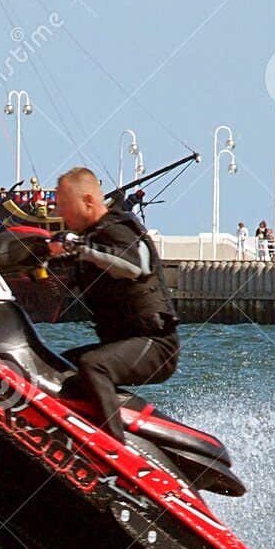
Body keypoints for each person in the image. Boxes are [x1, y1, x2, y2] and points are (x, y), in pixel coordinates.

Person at [49, 167, 179, 439]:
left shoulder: (117, 228)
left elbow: (134, 266)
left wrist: (80, 250)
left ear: (87, 200)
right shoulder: (91, 241)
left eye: (63, 206)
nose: (59, 214)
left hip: (155, 346)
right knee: (53, 367)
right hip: (121, 344)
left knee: (93, 365)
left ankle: (113, 448)